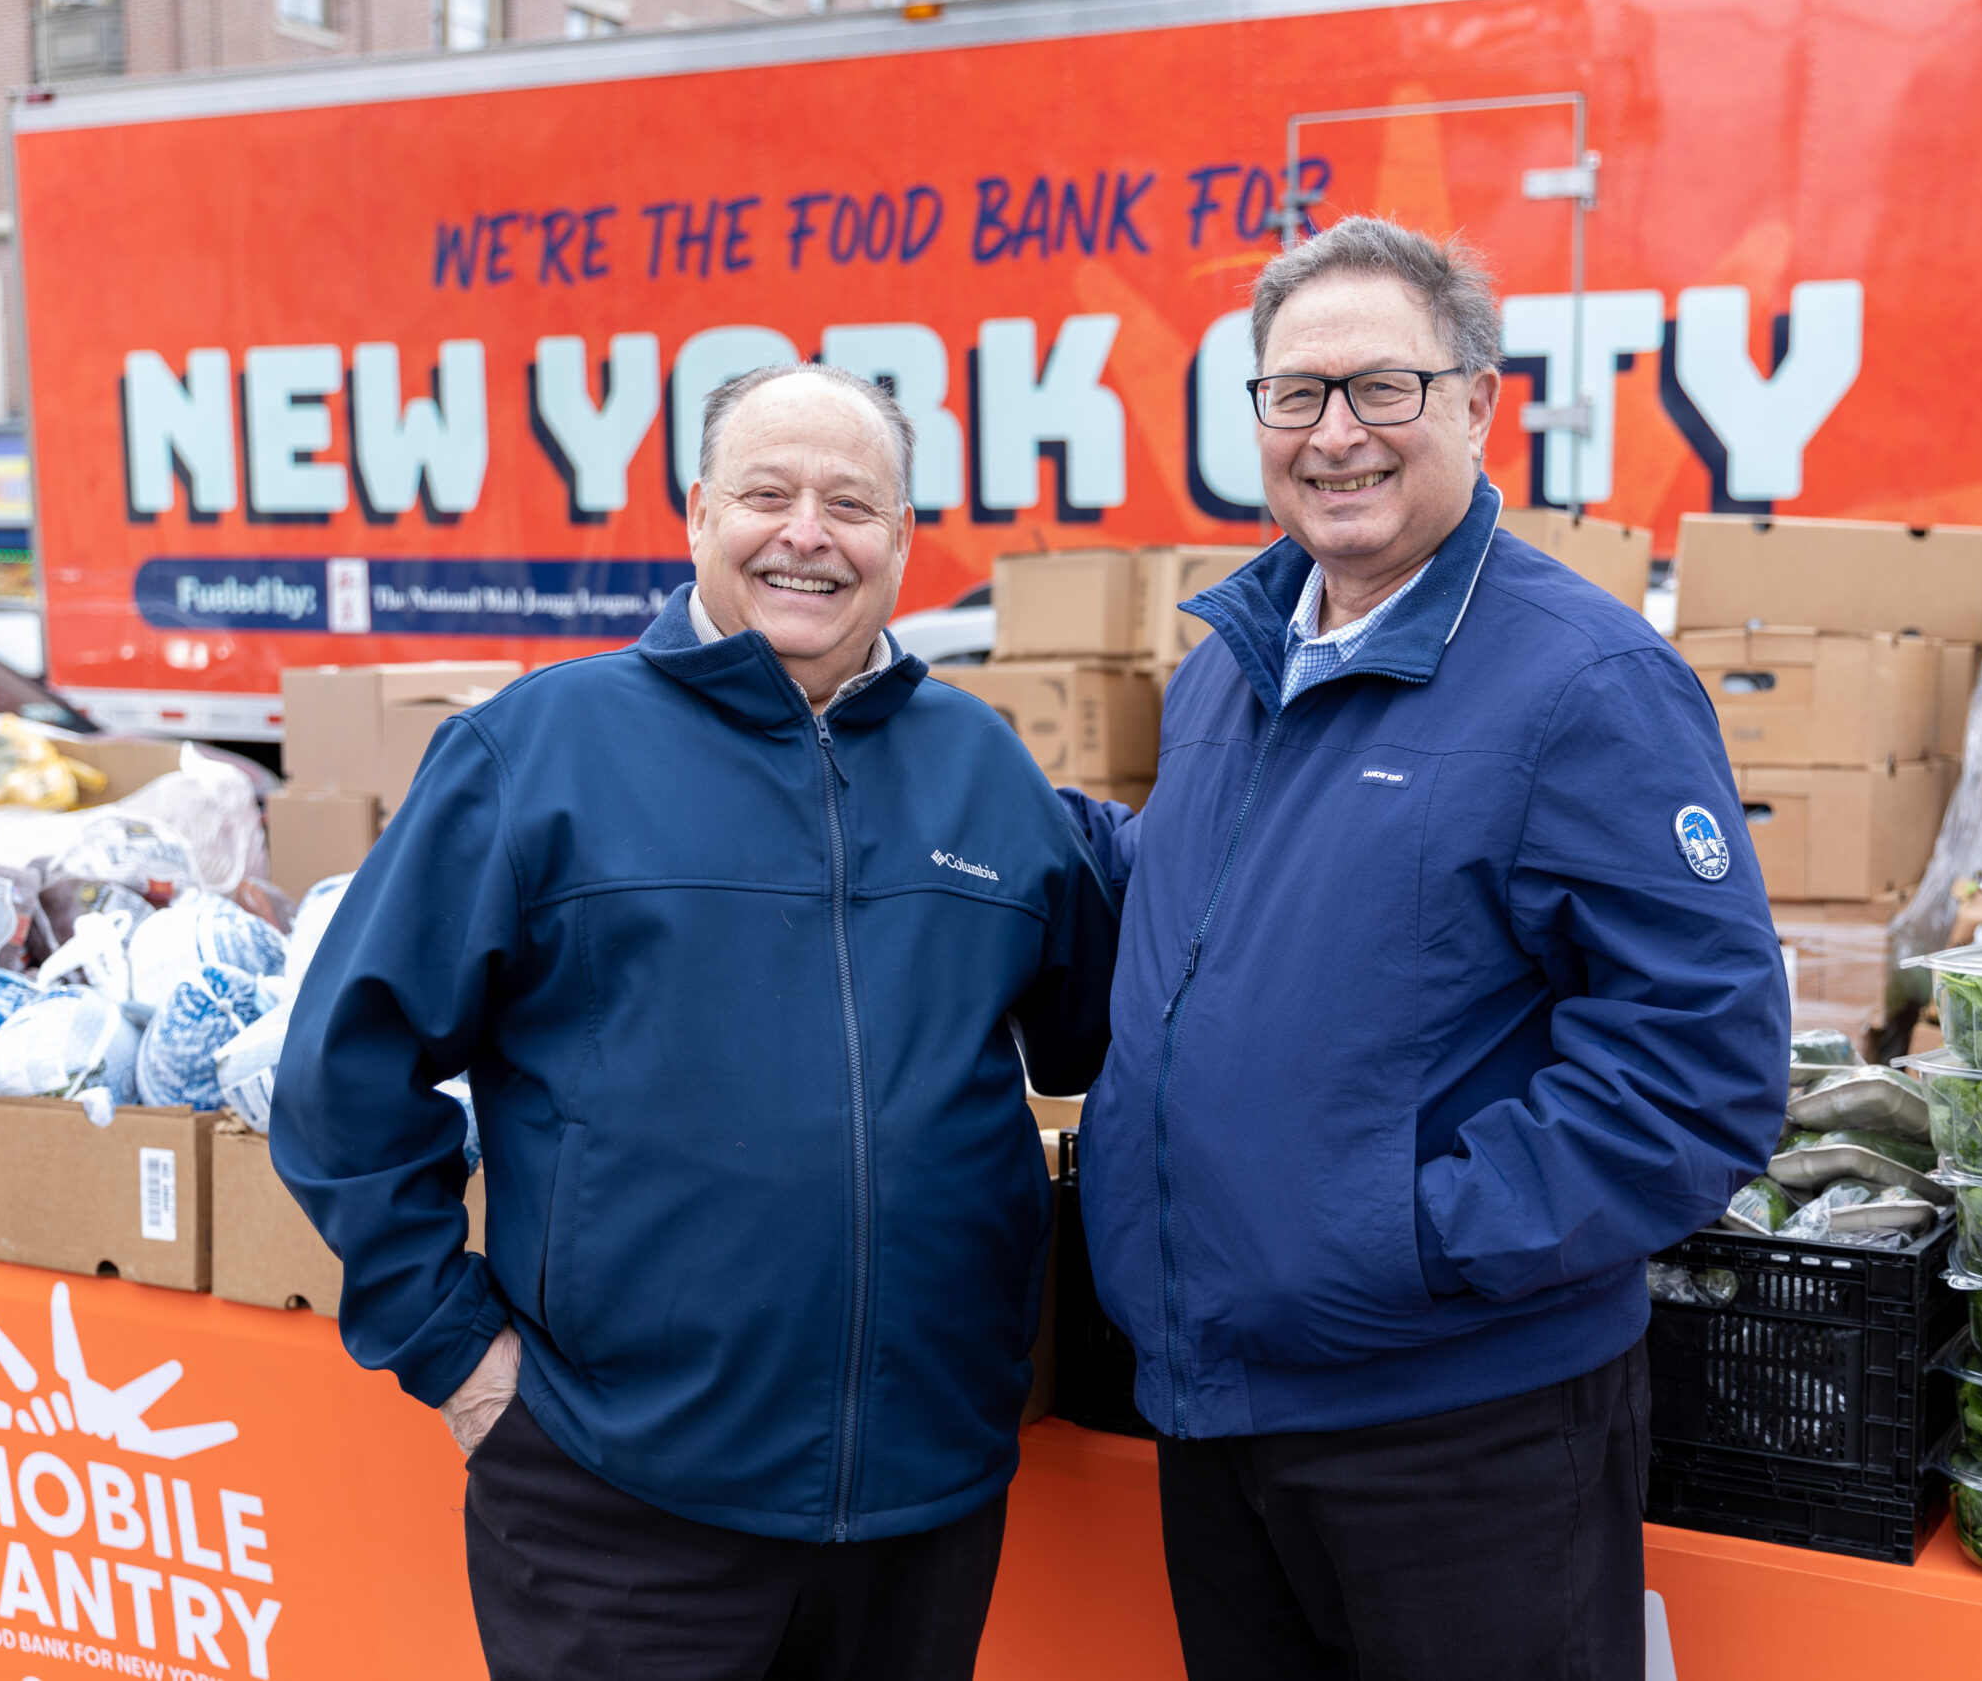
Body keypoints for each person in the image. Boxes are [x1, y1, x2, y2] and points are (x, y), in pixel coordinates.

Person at [271, 364, 1120, 1681]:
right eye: (766, 495)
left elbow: (1086, 1032)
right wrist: (459, 1359)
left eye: (852, 504)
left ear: (902, 540)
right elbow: (344, 1077)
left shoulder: (985, 770)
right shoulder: (541, 749)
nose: (806, 534)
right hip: (620, 1499)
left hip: (924, 1499)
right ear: (696, 515)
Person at [1078, 218, 1789, 1680]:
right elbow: (1201, 931)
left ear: (1477, 402)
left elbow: (1698, 1070)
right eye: (1296, 395)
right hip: (1226, 1405)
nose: (1335, 435)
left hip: (1458, 1430)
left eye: (1381, 389)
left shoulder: (1585, 682)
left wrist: (1407, 1242)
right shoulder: (1229, 668)